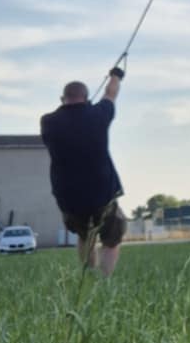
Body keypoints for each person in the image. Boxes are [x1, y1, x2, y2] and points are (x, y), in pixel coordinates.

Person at [41, 68, 127, 273]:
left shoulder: (48, 122)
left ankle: (87, 276)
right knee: (112, 239)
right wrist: (116, 76)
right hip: (101, 193)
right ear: (87, 98)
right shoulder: (99, 115)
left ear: (62, 99)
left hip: (68, 196)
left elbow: (72, 119)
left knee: (84, 236)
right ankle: (105, 281)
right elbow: (111, 93)